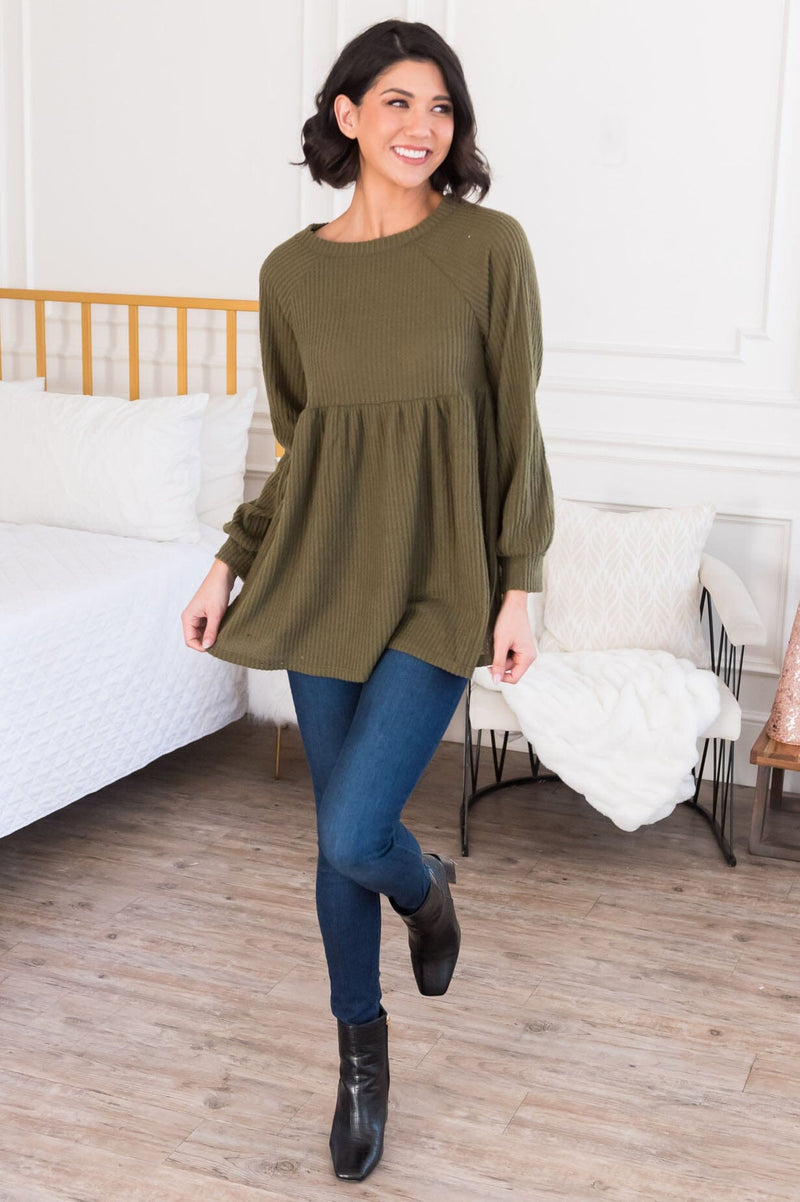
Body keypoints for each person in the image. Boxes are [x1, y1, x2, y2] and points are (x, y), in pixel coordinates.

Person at [181, 17, 554, 1183]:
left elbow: (516, 425)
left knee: (356, 830)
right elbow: (302, 452)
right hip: (324, 576)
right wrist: (228, 561)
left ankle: (426, 892)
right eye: (397, 102)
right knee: (334, 838)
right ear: (346, 115)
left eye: (440, 107)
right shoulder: (290, 275)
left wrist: (519, 582)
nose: (421, 127)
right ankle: (359, 1058)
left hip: (442, 579)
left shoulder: (488, 248)